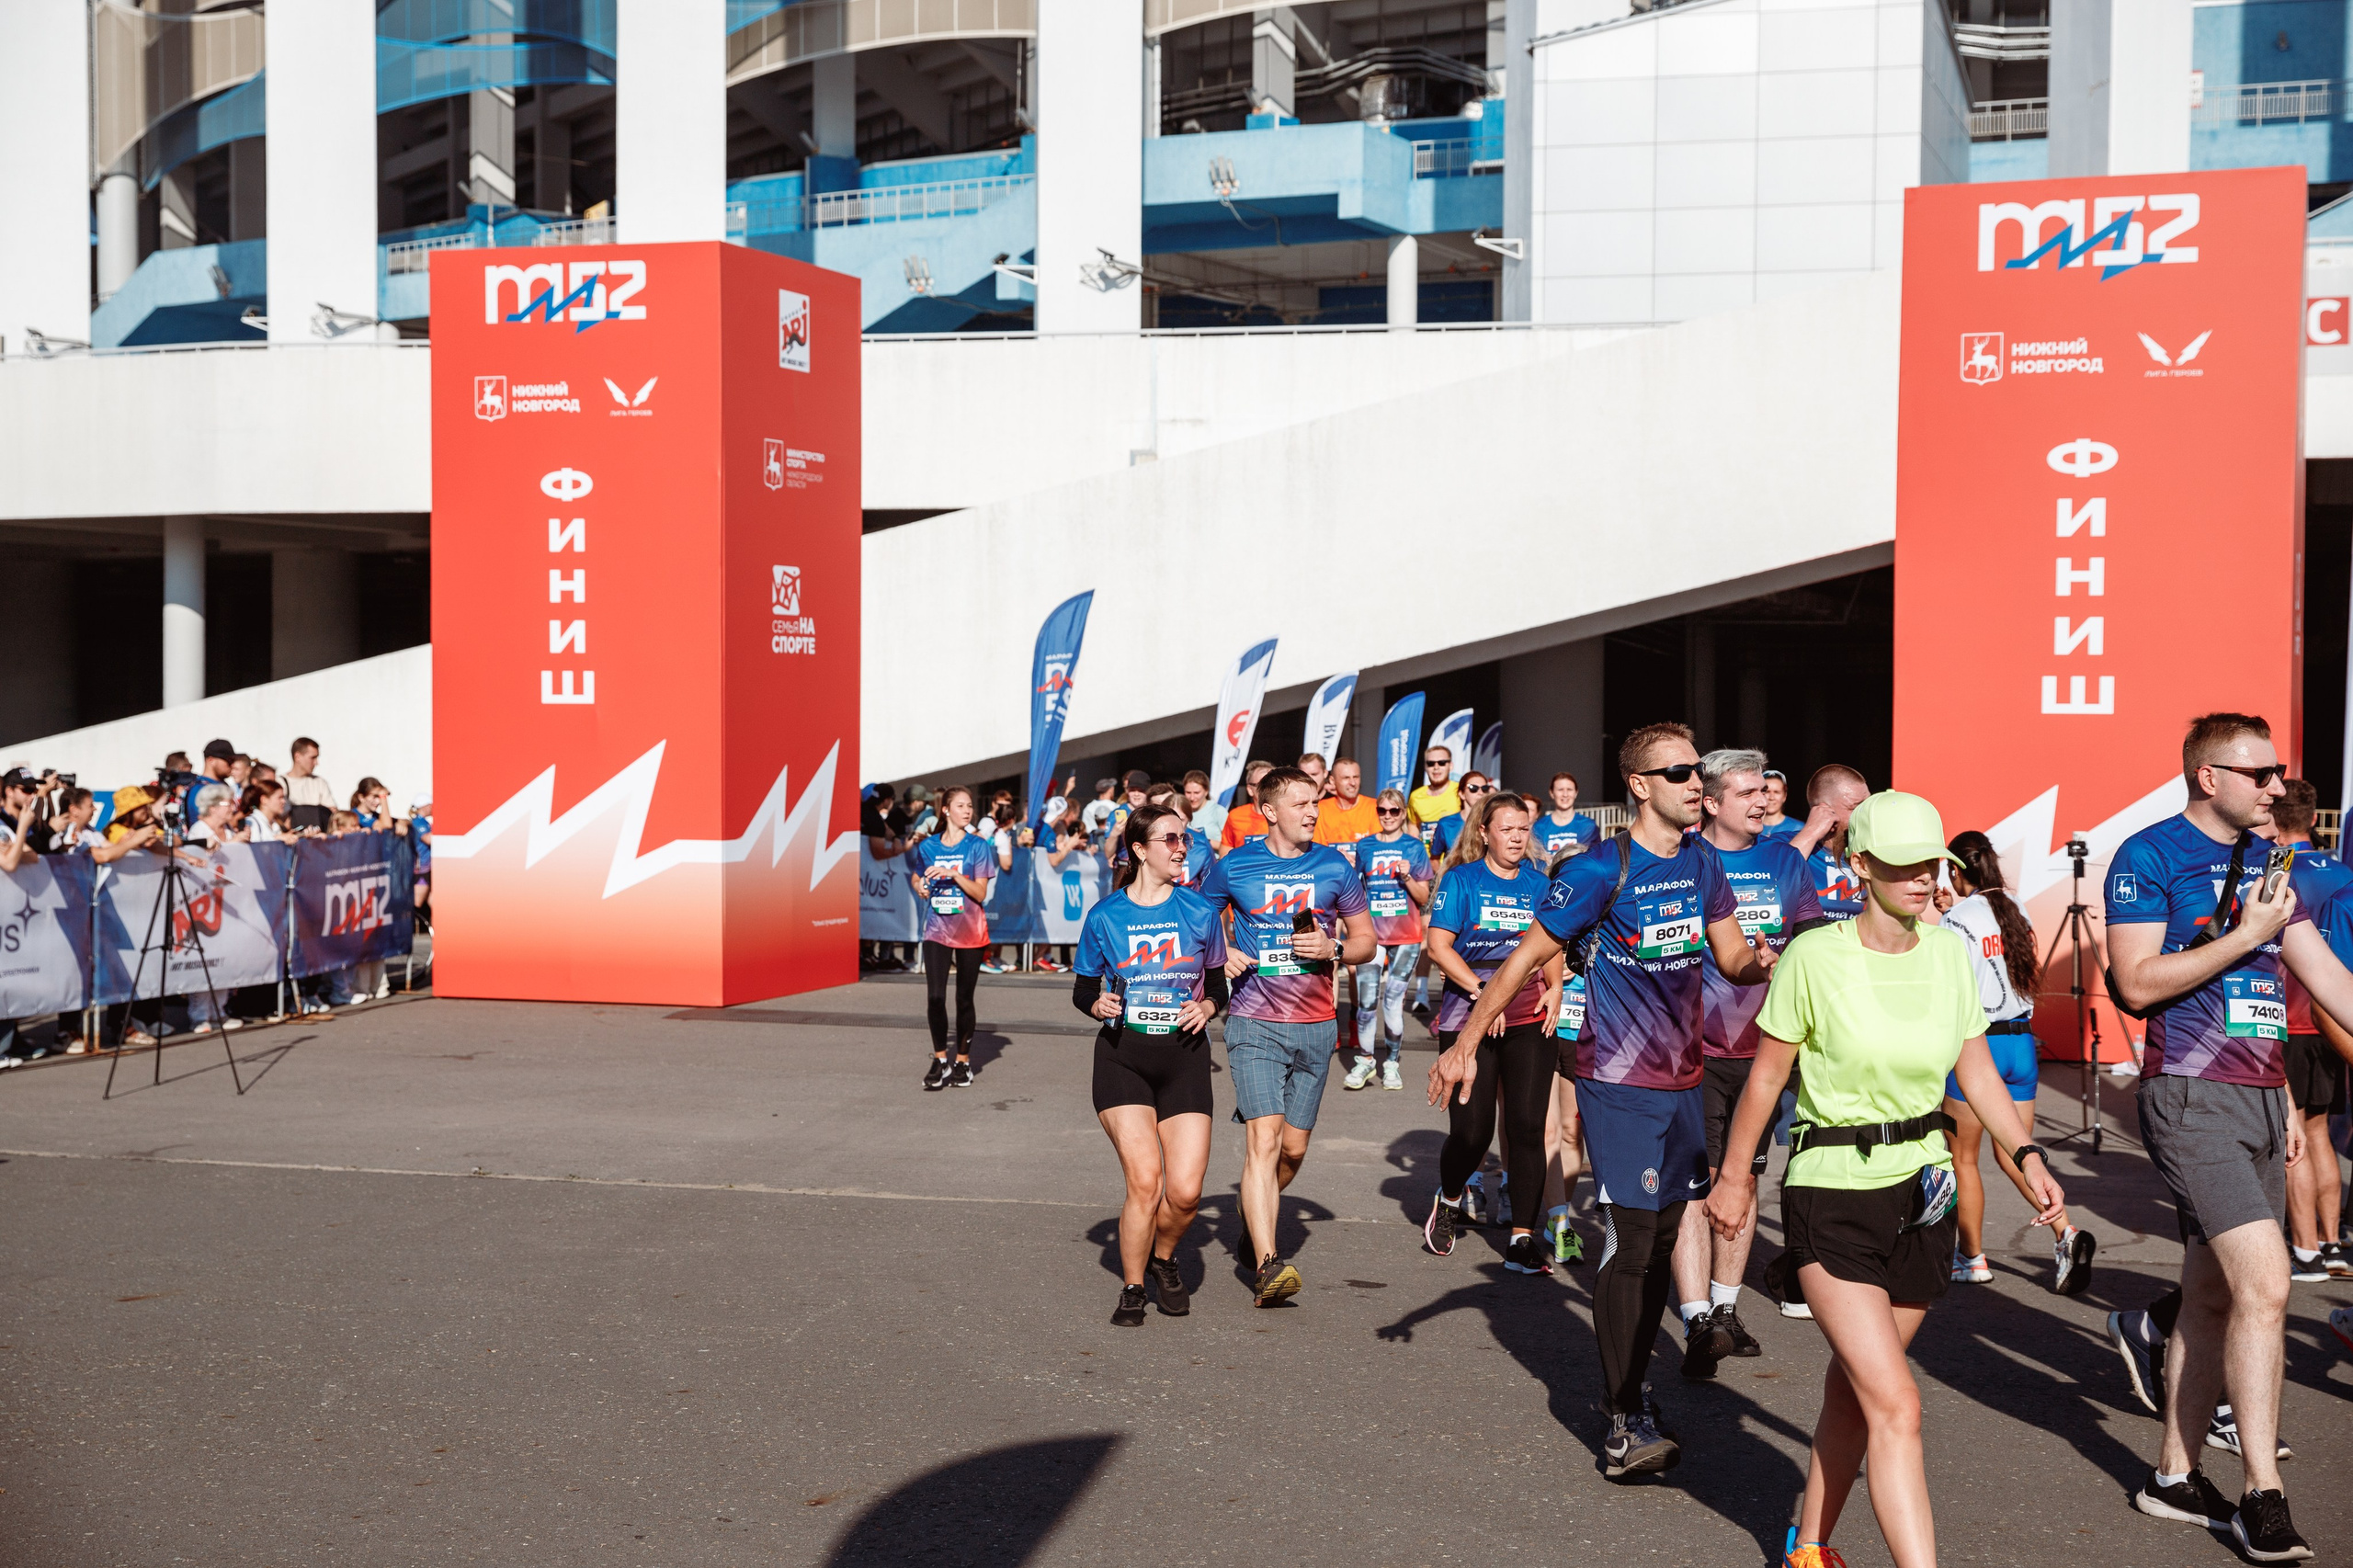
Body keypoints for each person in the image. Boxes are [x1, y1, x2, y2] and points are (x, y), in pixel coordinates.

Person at [1704, 790, 2066, 1568]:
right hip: (1831, 1190)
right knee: (1898, 1403)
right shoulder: (1814, 956)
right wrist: (1734, 1180)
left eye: (1930, 863)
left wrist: (2027, 1155)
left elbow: (1976, 1072)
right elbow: (1766, 1078)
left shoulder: (1948, 954)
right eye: (1902, 865)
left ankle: (1808, 1549)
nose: (1921, 878)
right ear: (1860, 865)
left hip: (1923, 1196)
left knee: (1856, 1390)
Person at [1438, 722, 1772, 1478]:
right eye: (1679, 772)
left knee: (1663, 1240)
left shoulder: (1703, 862)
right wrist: (1464, 1044)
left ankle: (1630, 1389)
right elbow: (1524, 958)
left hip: (1685, 1079)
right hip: (1617, 1081)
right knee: (1635, 1240)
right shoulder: (1597, 870)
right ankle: (1625, 1418)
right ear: (1640, 786)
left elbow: (1731, 958)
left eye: (1698, 770)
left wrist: (1772, 963)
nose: (1696, 782)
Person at [2101, 712, 2353, 1562]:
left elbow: (2325, 978)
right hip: (2188, 1096)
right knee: (2267, 1286)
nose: (2278, 786)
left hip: (2259, 1101)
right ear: (2210, 777)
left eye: (2277, 773)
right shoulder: (2150, 855)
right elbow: (2136, 984)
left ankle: (2172, 1477)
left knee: (2210, 1297)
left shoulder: (2271, 859)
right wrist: (2246, 934)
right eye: (2261, 773)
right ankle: (2262, 1493)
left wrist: (2280, 1092)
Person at [1673, 748, 1824, 1379]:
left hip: (1767, 1049)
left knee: (1745, 1173)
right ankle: (1695, 1316)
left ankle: (1726, 1309)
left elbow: (1813, 937)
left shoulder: (1787, 861)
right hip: (1692, 1049)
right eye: (1747, 793)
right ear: (1710, 802)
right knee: (1698, 1180)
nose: (1762, 801)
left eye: (1764, 791)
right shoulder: (1684, 859)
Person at [1199, 765, 1374, 1304]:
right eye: (1300, 804)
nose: (1312, 812)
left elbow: (1367, 940)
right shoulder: (1235, 864)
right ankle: (1268, 1265)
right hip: (1254, 1020)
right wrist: (1221, 952)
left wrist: (1334, 948)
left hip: (1317, 1025)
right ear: (1269, 811)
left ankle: (1255, 1209)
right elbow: (1197, 922)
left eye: (1314, 803)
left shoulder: (1334, 865)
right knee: (1265, 1139)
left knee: (1292, 1151)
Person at [1074, 803, 1229, 1326]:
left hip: (1185, 1057)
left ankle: (1164, 1259)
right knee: (1145, 1181)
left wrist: (1207, 1007)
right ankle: (1134, 1287)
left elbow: (1218, 984)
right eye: (1170, 839)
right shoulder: (1105, 916)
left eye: (1185, 839)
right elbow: (1083, 989)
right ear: (1140, 850)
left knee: (1185, 1194)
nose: (1182, 848)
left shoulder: (1200, 912)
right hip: (1124, 1059)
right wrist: (1097, 1004)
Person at [1938, 830, 2097, 1294]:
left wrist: (1947, 916)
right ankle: (2066, 1233)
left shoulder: (1957, 919)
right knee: (2017, 1153)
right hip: (2022, 1044)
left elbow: (1953, 981)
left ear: (1957, 871)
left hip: (1979, 1047)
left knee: (1962, 1159)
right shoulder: (2015, 906)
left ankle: (1972, 1258)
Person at [1420, 791, 1564, 1275]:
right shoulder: (1461, 880)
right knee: (1473, 1131)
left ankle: (1523, 1237)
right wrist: (1485, 993)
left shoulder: (1540, 883)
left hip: (1530, 1015)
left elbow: (1552, 943)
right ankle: (1450, 1196)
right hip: (1470, 1012)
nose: (1517, 838)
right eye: (1507, 829)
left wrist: (1556, 986)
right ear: (1484, 832)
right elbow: (1439, 947)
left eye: (1523, 829)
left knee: (1527, 1126)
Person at [2263, 780, 2353, 1282]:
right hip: (2337, 1018)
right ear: (2316, 820)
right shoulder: (2344, 873)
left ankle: (2306, 1251)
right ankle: (2333, 1242)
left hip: (2289, 1022)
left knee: (2292, 1135)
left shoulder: (2275, 868)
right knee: (2318, 1133)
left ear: (2273, 819)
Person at [906, 786, 995, 1089]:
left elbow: (980, 893)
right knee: (935, 996)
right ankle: (940, 1059)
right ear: (945, 810)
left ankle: (963, 1061)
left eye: (970, 806)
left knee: (963, 999)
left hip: (970, 931)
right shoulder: (929, 846)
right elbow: (917, 875)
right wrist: (919, 886)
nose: (967, 810)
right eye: (961, 805)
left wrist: (954, 874)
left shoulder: (977, 846)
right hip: (937, 929)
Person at [1343, 788, 1432, 1093]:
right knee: (1367, 1001)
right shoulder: (1365, 846)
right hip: (1372, 935)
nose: (1388, 816)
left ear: (1403, 813)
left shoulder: (1414, 847)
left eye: (1394, 811)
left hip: (1406, 935)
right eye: (1382, 810)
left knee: (1393, 1000)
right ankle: (1366, 1060)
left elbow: (1423, 897)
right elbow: (1356, 890)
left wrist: (1407, 877)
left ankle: (1391, 1063)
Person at [1791, 765, 1870, 922]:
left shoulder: (1876, 850)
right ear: (1823, 811)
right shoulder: (1784, 844)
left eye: (1867, 806)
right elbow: (1774, 884)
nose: (1866, 814)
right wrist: (1811, 832)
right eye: (1855, 807)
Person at [1313, 758, 1378, 867]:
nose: (1352, 783)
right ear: (1332, 781)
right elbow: (1316, 851)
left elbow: (1380, 848)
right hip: (1333, 870)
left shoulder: (1375, 807)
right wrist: (1336, 857)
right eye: (1346, 778)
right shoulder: (1321, 809)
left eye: (1356, 777)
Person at [1532, 771, 1602, 860]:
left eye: (1569, 789)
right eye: (1560, 790)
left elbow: (1597, 858)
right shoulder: (1539, 827)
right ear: (1552, 793)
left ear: (1576, 793)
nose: (1565, 794)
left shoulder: (1588, 827)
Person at [1427, 771, 1493, 858]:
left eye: (1484, 788)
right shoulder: (1446, 824)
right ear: (1462, 794)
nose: (1480, 793)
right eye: (1473, 788)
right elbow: (1434, 859)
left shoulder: (1492, 821)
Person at [1216, 760, 1275, 854]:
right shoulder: (1236, 816)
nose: (1268, 788)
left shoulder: (1285, 815)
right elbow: (1226, 850)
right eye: (1262, 784)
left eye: (1273, 783)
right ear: (1250, 789)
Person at [1407, 744, 1460, 844]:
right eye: (1431, 763)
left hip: (1454, 853)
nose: (1436, 767)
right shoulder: (1415, 796)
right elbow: (1413, 825)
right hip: (1426, 853)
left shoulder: (1460, 791)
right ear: (1425, 767)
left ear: (1451, 766)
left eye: (1442, 763)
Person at [284, 737, 335, 834]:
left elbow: (333, 813)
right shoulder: (281, 783)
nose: (316, 763)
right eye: (313, 758)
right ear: (298, 757)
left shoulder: (319, 782)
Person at [1757, 768, 1802, 843]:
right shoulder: (1749, 826)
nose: (1771, 797)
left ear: (1784, 796)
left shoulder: (1799, 828)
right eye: (1767, 792)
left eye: (1777, 792)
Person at [1181, 768, 1224, 843]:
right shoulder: (1181, 811)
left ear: (1206, 791)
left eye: (1197, 793)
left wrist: (1201, 839)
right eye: (1188, 792)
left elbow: (1229, 845)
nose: (1192, 798)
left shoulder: (1218, 811)